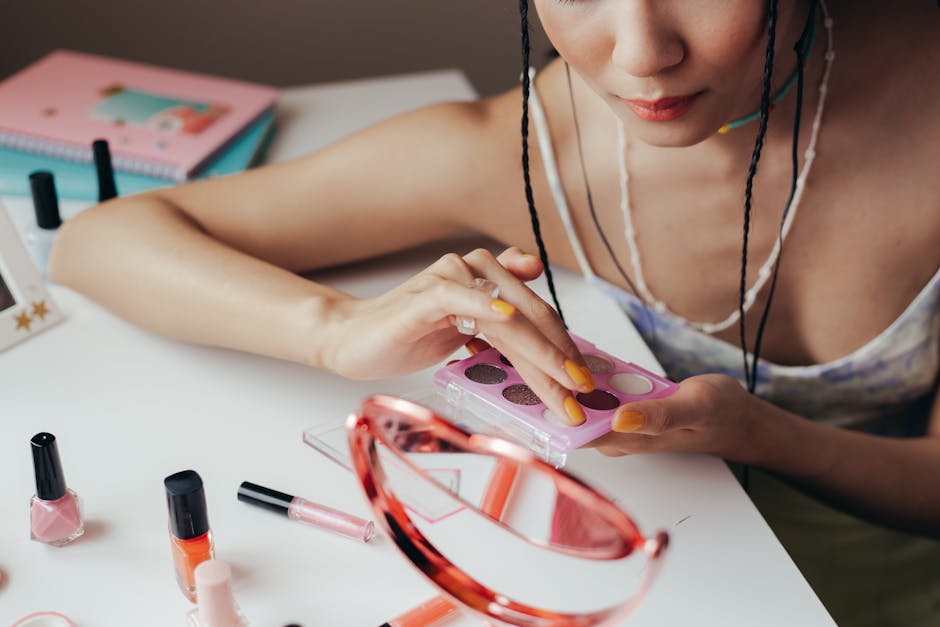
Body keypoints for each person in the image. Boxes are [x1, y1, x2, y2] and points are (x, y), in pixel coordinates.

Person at [50, 1, 939, 624]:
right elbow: (100, 242)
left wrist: (762, 433)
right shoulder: (529, 149)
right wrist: (335, 331)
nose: (642, 53)